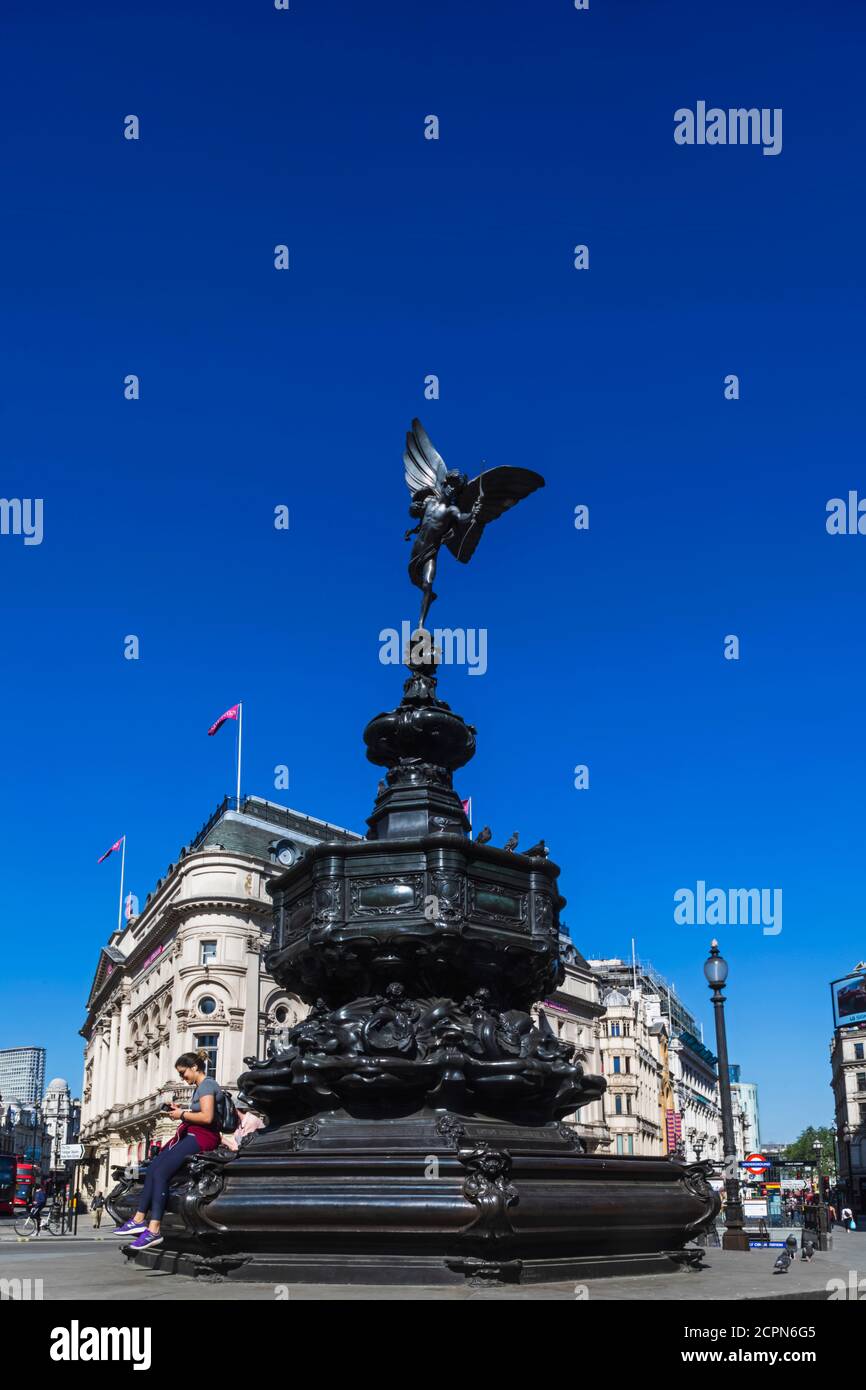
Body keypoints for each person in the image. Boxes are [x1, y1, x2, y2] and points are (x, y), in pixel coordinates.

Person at [109, 1049, 225, 1251]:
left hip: (202, 1137)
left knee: (161, 1171)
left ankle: (153, 1230)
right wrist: (181, 1109)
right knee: (154, 1167)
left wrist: (181, 1114)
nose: (182, 1077)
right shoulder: (202, 1087)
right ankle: (138, 1219)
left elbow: (207, 1118)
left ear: (194, 1067)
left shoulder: (207, 1085)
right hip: (194, 1134)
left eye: (183, 1072)